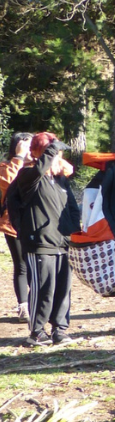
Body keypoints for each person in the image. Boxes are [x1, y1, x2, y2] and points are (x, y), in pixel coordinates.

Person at [6, 133, 80, 347]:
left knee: (63, 289)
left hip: (63, 243)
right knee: (43, 289)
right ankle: (37, 332)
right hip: (39, 243)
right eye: (54, 153)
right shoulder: (27, 176)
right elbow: (39, 170)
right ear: (42, 154)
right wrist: (52, 149)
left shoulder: (59, 180)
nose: (59, 157)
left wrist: (75, 233)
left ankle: (60, 329)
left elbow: (71, 207)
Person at [1, 133, 32, 322]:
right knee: (21, 265)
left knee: (37, 264)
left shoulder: (39, 166)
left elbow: (67, 169)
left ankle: (38, 302)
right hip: (13, 224)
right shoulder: (5, 167)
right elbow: (8, 183)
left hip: (37, 224)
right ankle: (24, 307)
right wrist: (19, 158)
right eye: (27, 146)